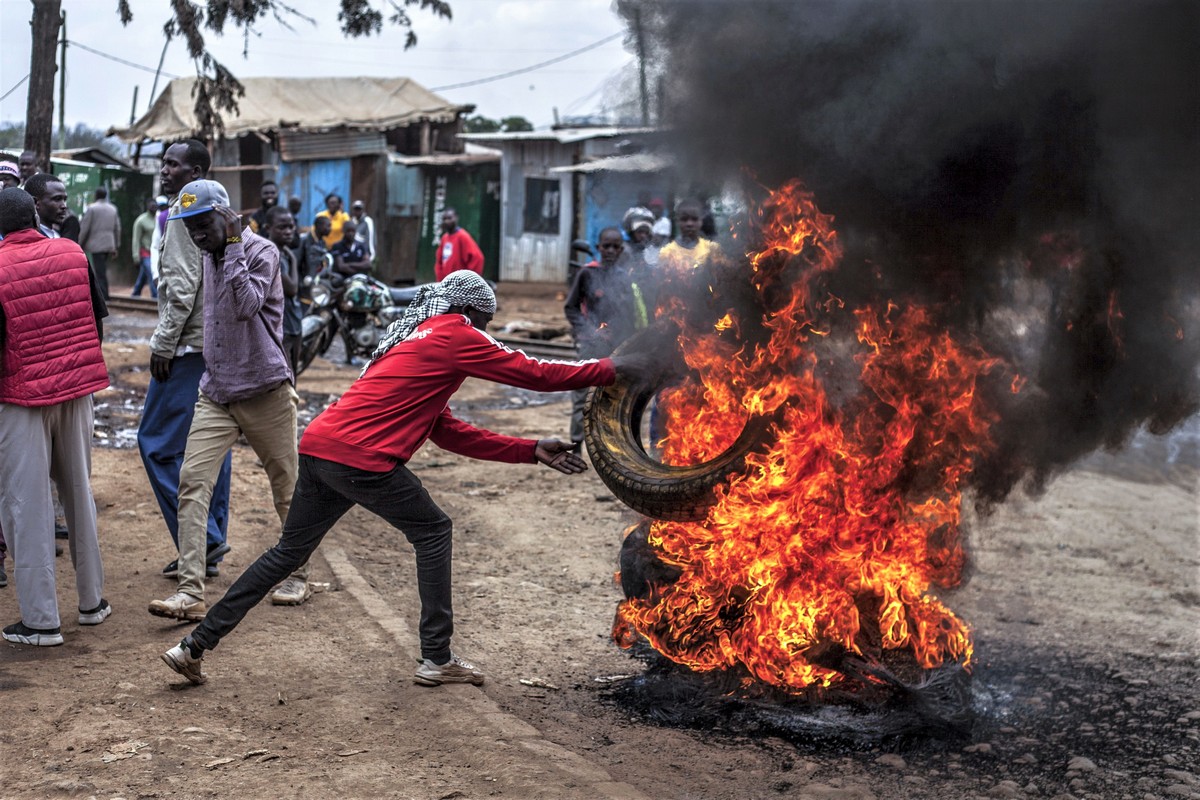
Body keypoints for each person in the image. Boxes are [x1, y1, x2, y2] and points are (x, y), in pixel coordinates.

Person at [159, 270, 648, 687]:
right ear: (471, 312)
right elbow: (534, 372)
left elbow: (447, 431)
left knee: (286, 553)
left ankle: (194, 646)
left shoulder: (411, 339)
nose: (487, 331)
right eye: (487, 321)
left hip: (320, 448)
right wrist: (612, 369)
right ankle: (436, 657)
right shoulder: (458, 333)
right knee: (433, 531)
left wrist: (529, 450)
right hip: (361, 460)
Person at [149, 177, 307, 621]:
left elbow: (245, 304)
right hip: (216, 392)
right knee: (192, 483)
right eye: (190, 228)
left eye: (204, 225)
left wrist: (234, 244)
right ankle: (190, 591)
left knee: (286, 488)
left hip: (265, 390)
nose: (197, 235)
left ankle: (299, 573)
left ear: (227, 216)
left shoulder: (262, 252)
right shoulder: (205, 254)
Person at [0, 187, 111, 646]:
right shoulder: (72, 251)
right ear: (34, 216)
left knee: (27, 506)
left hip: (22, 398)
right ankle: (92, 603)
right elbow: (97, 317)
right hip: (76, 391)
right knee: (78, 491)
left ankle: (42, 621)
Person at [138, 141, 233, 591]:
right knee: (215, 444)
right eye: (164, 162)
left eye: (172, 164)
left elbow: (181, 285)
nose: (164, 169)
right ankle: (208, 545)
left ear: (194, 170)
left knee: (156, 442)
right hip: (215, 343)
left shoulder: (183, 213)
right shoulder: (217, 209)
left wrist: (163, 343)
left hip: (187, 349)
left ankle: (204, 539)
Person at [564, 227, 646, 446]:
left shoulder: (625, 279)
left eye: (615, 247)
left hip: (617, 348)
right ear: (599, 247)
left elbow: (631, 315)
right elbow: (570, 308)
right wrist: (589, 331)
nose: (610, 250)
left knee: (617, 397)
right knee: (582, 395)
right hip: (592, 346)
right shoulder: (587, 273)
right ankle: (576, 445)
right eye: (606, 246)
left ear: (621, 250)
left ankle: (616, 446)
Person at [265, 206, 303, 375]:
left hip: (293, 324)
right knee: (285, 377)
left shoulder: (283, 252)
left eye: (291, 227)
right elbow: (292, 288)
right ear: (268, 228)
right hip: (283, 328)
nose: (288, 232)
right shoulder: (273, 254)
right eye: (282, 227)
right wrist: (294, 259)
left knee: (293, 373)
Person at [78, 186, 120, 300]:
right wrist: (116, 246)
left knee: (100, 272)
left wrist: (78, 243)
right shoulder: (113, 208)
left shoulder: (92, 208)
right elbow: (117, 228)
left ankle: (104, 296)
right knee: (101, 270)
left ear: (96, 195)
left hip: (96, 245)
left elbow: (85, 227)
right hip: (109, 244)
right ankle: (103, 295)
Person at [434, 208, 483, 281]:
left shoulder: (462, 236)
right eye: (444, 219)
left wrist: (469, 279)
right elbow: (439, 260)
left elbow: (477, 258)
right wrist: (440, 278)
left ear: (456, 218)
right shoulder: (445, 238)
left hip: (459, 283)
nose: (447, 221)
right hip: (447, 282)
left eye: (449, 218)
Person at [131, 198, 159, 298]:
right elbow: (136, 239)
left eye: (155, 206)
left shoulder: (159, 218)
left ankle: (135, 294)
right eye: (152, 206)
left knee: (143, 275)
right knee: (152, 273)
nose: (154, 208)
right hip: (145, 252)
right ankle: (156, 296)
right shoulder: (141, 220)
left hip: (156, 252)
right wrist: (136, 256)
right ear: (148, 207)